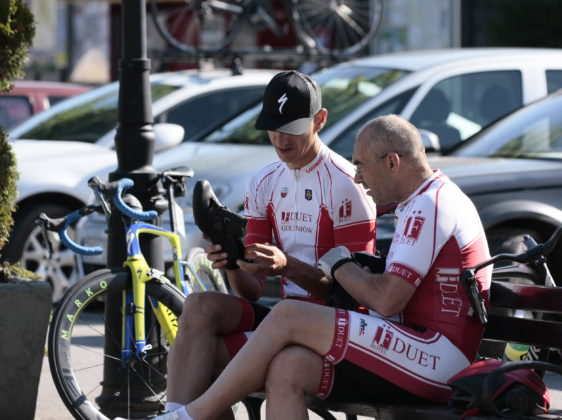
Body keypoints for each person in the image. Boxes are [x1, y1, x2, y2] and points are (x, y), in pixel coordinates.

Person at [144, 114, 492, 420]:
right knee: (288, 367)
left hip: (439, 358)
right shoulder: (421, 201)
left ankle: (188, 416)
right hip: (417, 346)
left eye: (362, 165)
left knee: (289, 314)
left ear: (392, 162)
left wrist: (339, 263)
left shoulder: (429, 205)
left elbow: (386, 301)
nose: (358, 177)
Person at [160, 71, 377, 419]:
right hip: (283, 319)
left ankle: (176, 415)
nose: (279, 138)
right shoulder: (263, 181)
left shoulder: (348, 185)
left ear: (319, 120)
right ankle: (174, 415)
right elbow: (250, 291)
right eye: (272, 126)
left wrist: (287, 265)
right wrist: (232, 260)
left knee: (205, 358)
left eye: (291, 127)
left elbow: (356, 298)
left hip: (335, 326)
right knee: (198, 307)